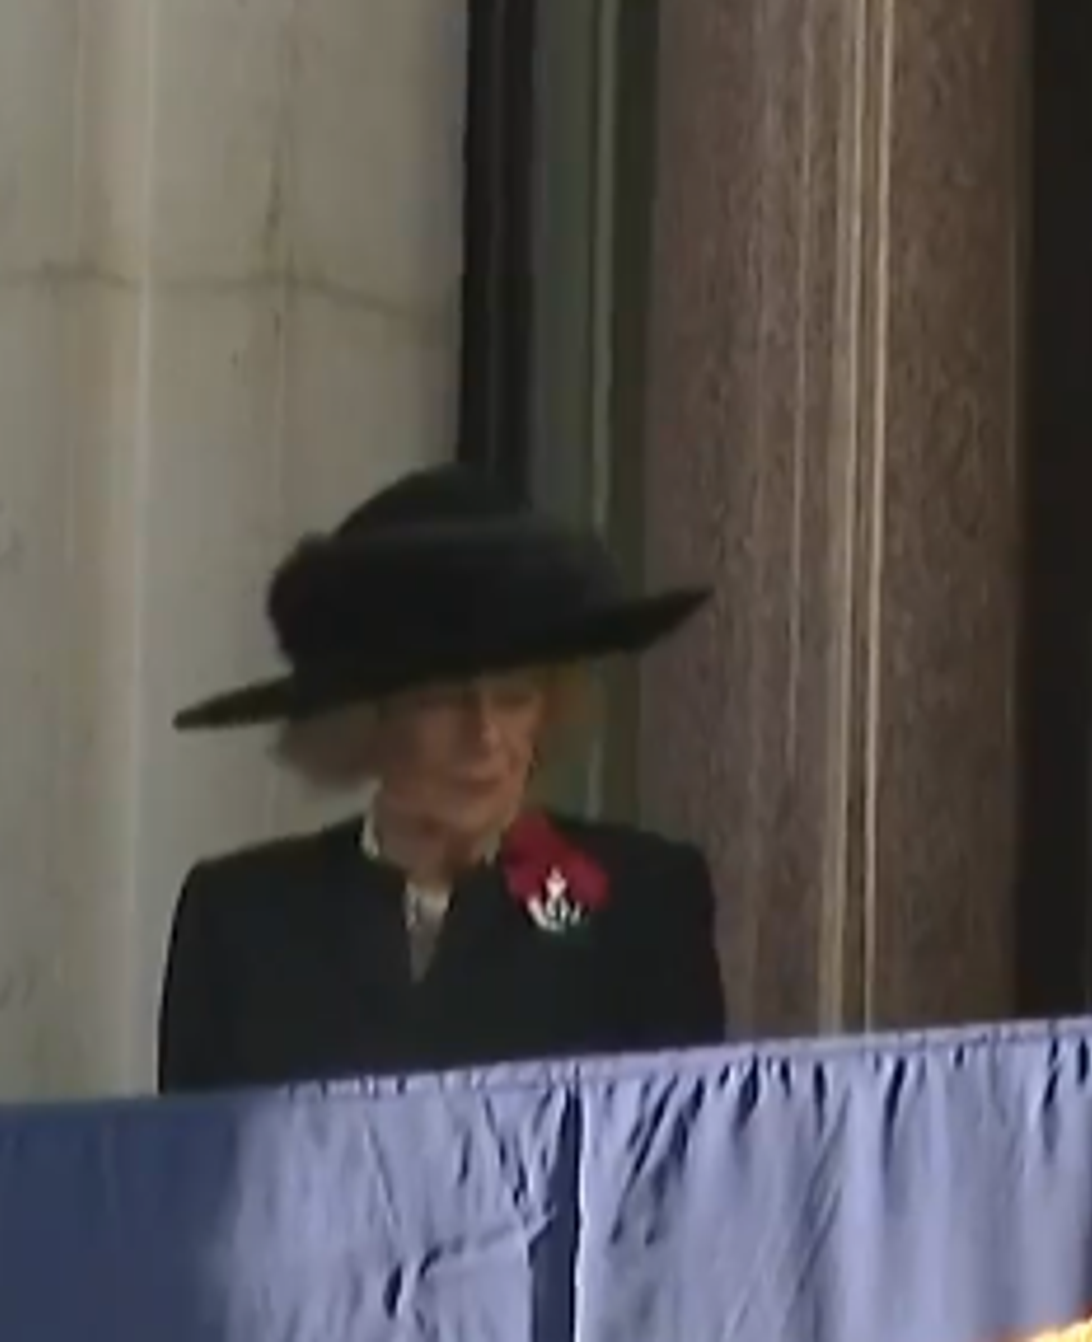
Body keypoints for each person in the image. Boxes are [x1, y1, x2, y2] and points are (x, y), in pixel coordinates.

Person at [157, 465, 726, 1093]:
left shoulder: (641, 906)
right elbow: (197, 1170)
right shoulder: (245, 920)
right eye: (442, 701)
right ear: (363, 722)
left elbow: (680, 1165)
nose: (484, 736)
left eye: (514, 698)